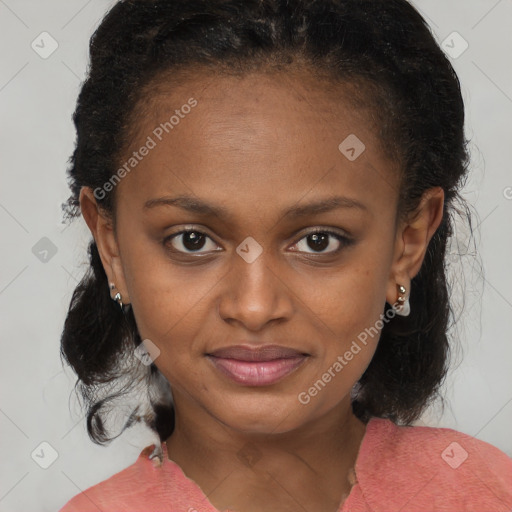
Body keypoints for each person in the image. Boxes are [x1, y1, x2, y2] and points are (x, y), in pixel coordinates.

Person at [58, 0, 512, 511]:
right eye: (192, 240)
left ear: (406, 244)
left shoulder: (486, 493)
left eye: (319, 241)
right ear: (112, 245)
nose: (254, 307)